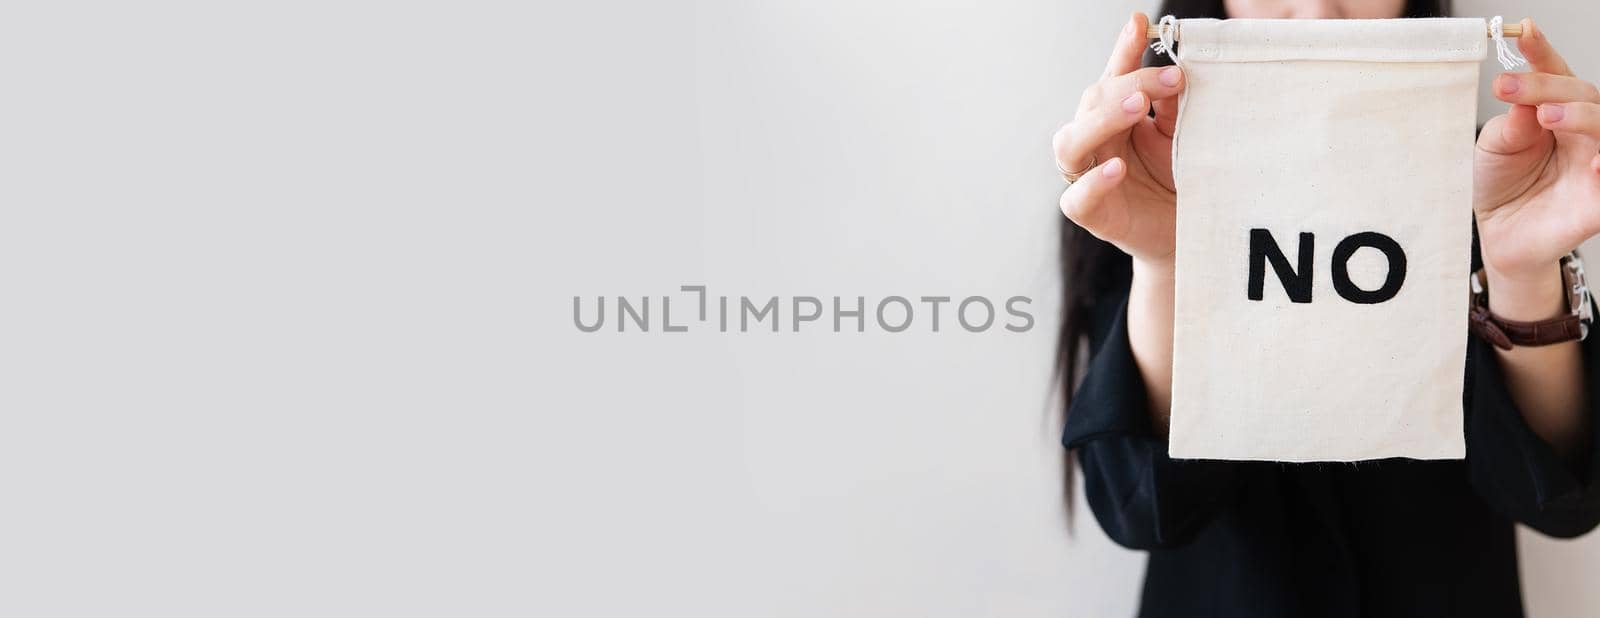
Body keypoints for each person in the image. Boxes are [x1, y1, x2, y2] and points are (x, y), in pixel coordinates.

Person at [1051, 1, 1600, 616]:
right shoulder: (1137, 172)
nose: (1318, 12)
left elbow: (1559, 500)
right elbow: (1141, 510)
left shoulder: (1501, 174)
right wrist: (1168, 263)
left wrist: (1519, 268)